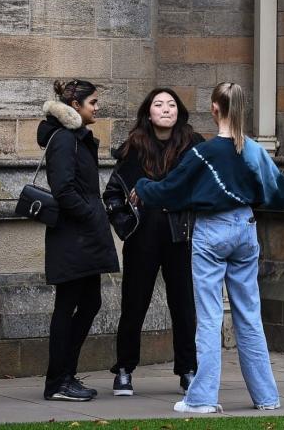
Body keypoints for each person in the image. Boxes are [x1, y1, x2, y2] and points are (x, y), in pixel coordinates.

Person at [134, 82, 284, 414]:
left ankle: (202, 398)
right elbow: (282, 191)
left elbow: (169, 190)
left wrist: (141, 186)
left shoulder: (203, 152)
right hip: (246, 229)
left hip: (211, 232)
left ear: (214, 109)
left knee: (209, 317)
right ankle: (267, 397)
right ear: (242, 108)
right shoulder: (253, 150)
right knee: (250, 316)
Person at [102, 88, 201, 397]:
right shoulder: (134, 147)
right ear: (148, 112)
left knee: (184, 306)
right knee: (134, 304)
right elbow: (112, 195)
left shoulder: (193, 146)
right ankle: (124, 370)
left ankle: (188, 370)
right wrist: (127, 226)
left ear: (179, 111)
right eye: (159, 104)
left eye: (171, 104)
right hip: (142, 238)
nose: (166, 109)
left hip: (179, 236)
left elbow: (206, 187)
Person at [38, 79, 120, 402]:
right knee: (68, 306)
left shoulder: (75, 138)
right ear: (76, 107)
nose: (97, 108)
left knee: (89, 303)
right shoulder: (63, 140)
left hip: (82, 237)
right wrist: (91, 214)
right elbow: (64, 189)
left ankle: (64, 376)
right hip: (73, 238)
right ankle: (58, 381)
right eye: (93, 103)